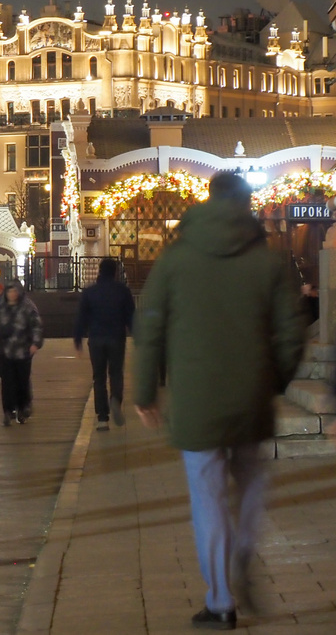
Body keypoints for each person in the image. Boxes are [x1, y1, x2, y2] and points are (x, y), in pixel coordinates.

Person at [134, 172, 304, 630]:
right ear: (247, 204)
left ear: (208, 200)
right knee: (250, 485)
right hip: (251, 394)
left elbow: (151, 326)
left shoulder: (176, 258)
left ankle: (220, 600)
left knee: (208, 498)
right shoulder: (268, 261)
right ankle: (245, 552)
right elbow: (292, 332)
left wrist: (145, 392)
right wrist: (275, 380)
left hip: (196, 399)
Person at [74, 257, 136, 431]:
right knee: (116, 373)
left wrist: (78, 339)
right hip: (117, 338)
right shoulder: (122, 291)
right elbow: (131, 316)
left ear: (99, 271)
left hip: (96, 340)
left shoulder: (90, 292)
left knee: (99, 377)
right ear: (115, 272)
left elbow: (81, 317)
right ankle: (115, 398)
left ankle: (102, 418)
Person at [0, 279, 43, 426]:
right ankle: (8, 410)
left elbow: (36, 326)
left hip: (23, 351)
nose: (12, 294)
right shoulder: (0, 309)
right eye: (10, 291)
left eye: (15, 291)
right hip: (6, 352)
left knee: (22, 380)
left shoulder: (27, 307)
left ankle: (22, 408)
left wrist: (35, 343)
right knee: (7, 382)